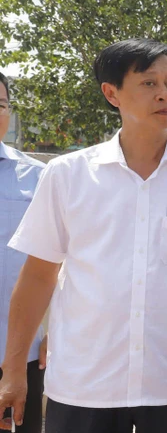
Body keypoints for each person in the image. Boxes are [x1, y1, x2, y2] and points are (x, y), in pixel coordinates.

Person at [0, 39, 167, 433]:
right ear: (112, 93)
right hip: (84, 385)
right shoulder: (68, 175)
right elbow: (38, 277)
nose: (165, 94)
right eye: (149, 83)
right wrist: (13, 372)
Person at [0, 73, 47, 433]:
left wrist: (55, 332)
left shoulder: (37, 177)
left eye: (1, 105)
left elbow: (64, 265)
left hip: (19, 354)